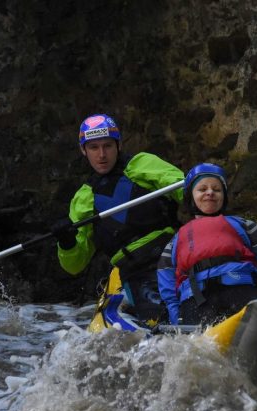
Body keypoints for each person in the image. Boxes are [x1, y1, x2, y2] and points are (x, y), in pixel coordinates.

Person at [51, 113, 184, 319]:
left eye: (108, 146)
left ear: (118, 145)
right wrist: (66, 243)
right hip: (135, 270)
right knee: (159, 315)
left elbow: (182, 186)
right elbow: (75, 265)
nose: (101, 154)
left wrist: (201, 189)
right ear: (83, 150)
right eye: (94, 148)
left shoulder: (141, 164)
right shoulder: (84, 197)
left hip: (172, 253)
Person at [157, 163, 257, 325]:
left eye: (216, 189)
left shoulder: (243, 225)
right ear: (191, 197)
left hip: (241, 287)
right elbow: (166, 276)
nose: (210, 192)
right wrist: (176, 315)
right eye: (202, 189)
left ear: (223, 197)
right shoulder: (177, 240)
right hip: (196, 298)